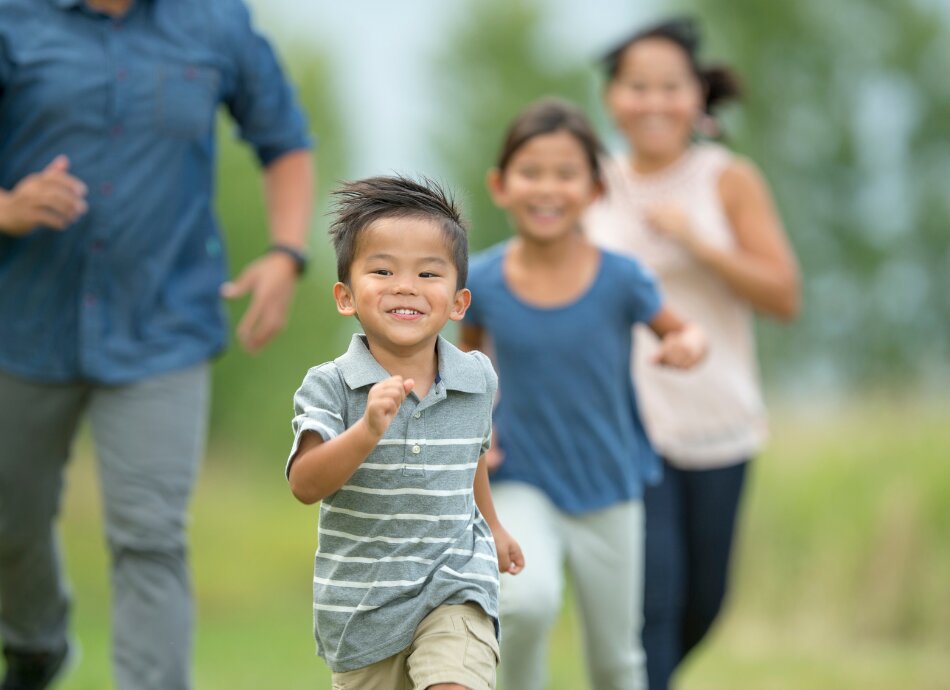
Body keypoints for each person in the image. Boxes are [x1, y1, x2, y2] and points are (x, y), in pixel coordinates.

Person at [0, 0, 314, 688]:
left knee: (150, 536)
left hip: (163, 326)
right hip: (19, 324)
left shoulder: (216, 22)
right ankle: (33, 641)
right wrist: (7, 207)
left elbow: (285, 139)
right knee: (8, 519)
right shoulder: (13, 20)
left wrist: (286, 254)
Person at [459, 98, 707, 690]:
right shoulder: (483, 282)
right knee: (524, 605)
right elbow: (470, 369)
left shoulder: (622, 278)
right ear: (500, 185)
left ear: (595, 190)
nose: (548, 188)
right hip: (520, 478)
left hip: (610, 488)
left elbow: (683, 330)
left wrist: (687, 346)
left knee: (616, 660)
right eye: (531, 172)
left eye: (566, 174)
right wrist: (478, 426)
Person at [585, 17, 802, 690]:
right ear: (612, 98)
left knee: (704, 602)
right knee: (653, 601)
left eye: (669, 87)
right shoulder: (587, 182)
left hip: (718, 416)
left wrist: (699, 245)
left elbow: (784, 296)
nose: (653, 102)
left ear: (697, 96)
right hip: (623, 421)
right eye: (636, 86)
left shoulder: (727, 178)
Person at [285, 175, 523, 690]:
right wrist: (366, 432)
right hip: (362, 611)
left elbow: (468, 456)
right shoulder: (329, 385)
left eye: (428, 273)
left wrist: (495, 527)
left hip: (456, 581)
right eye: (383, 270)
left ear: (459, 303)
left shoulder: (477, 377)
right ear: (346, 296)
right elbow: (305, 484)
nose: (405, 285)